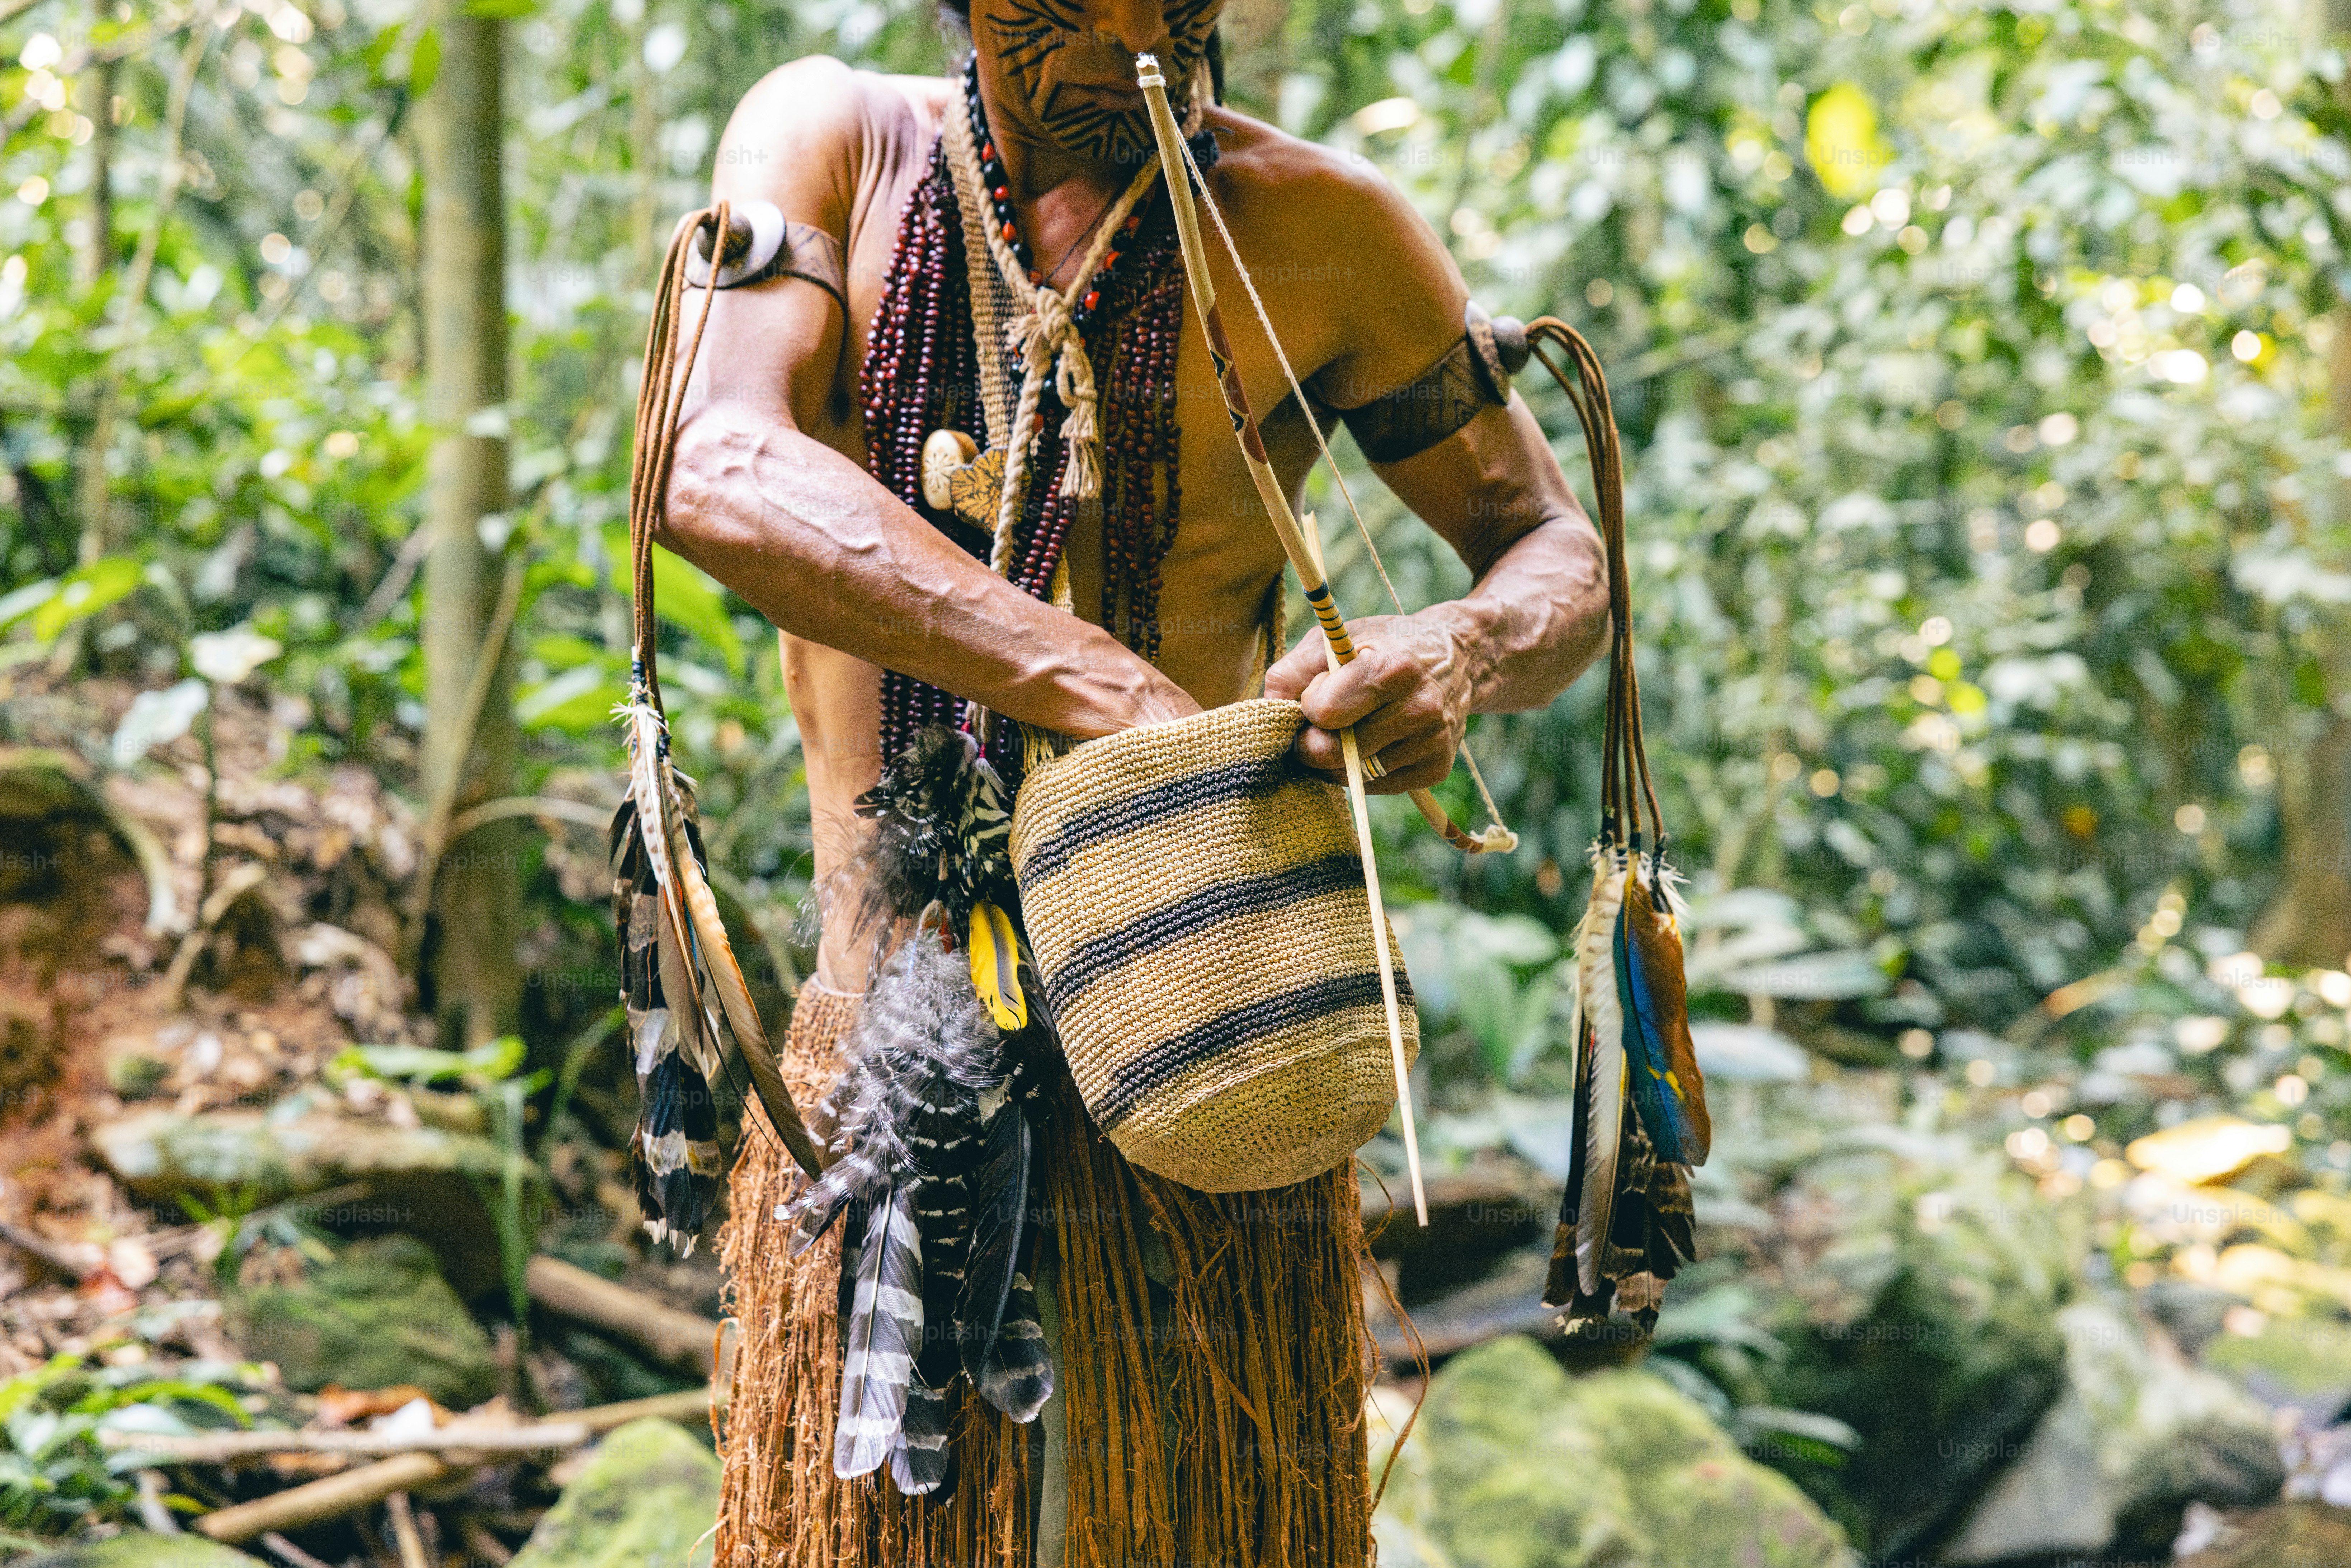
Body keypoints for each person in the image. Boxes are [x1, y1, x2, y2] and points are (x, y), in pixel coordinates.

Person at [654, 1, 1611, 1562]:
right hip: (886, 1044)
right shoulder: (831, 142)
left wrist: (1460, 647)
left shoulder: (1323, 231)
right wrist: (1090, 678)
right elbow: (713, 464)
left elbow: (1550, 548)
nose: (1118, 33)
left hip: (1221, 1037)